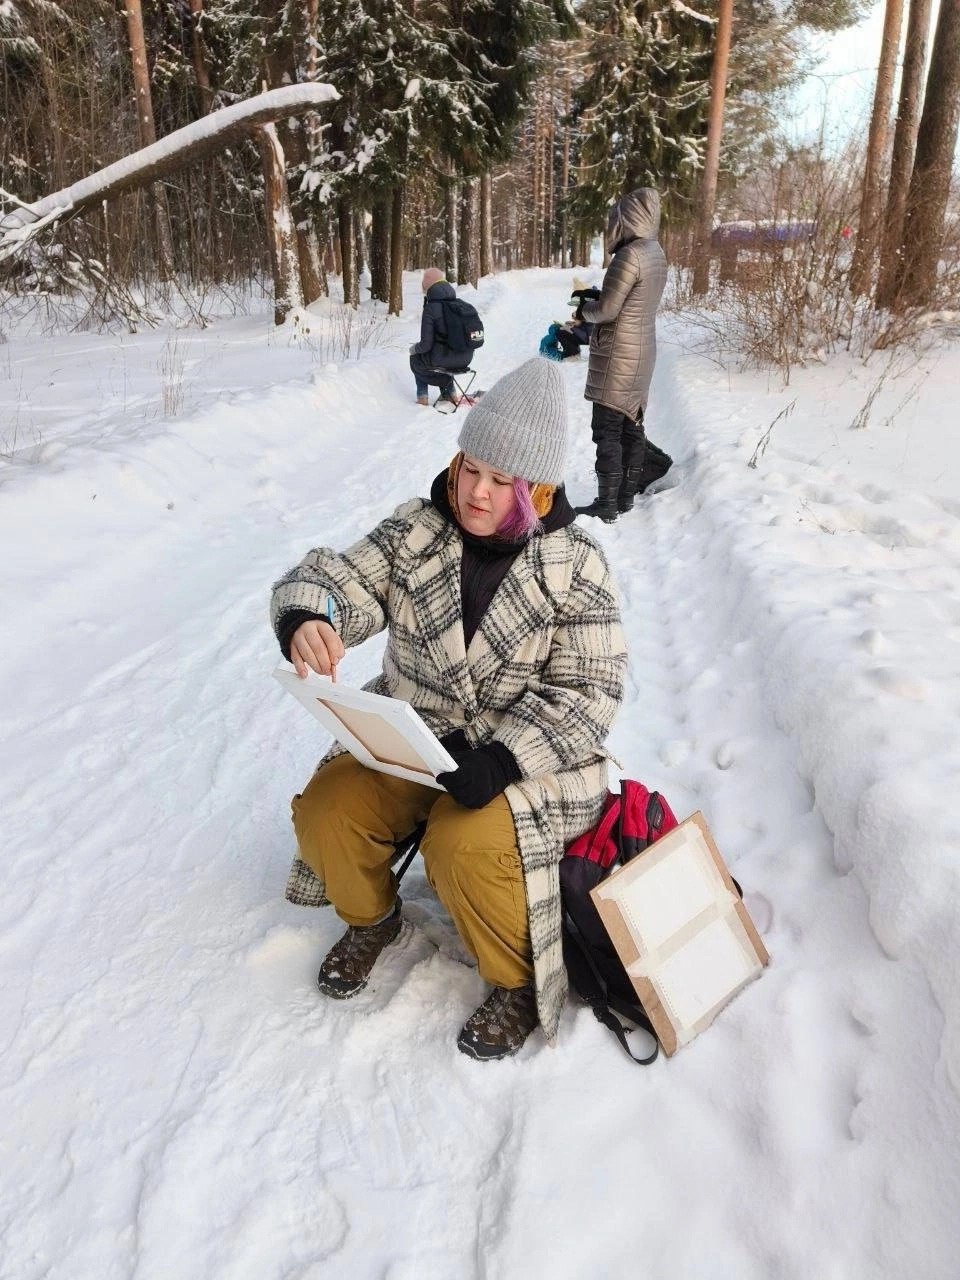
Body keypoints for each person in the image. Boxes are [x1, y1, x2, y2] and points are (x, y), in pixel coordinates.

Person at [270, 357, 627, 1061]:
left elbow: (591, 693)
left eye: (501, 481)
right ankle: (371, 920)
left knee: (460, 845)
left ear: (538, 488)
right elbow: (341, 579)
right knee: (328, 811)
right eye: (470, 468)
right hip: (414, 740)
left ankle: (518, 982)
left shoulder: (577, 564)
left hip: (518, 760)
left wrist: (503, 758)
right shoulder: (415, 532)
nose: (475, 492)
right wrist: (312, 613)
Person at [576, 188, 669, 523]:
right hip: (643, 348)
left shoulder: (629, 256)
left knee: (608, 428)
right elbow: (633, 301)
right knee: (630, 424)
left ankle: (606, 502)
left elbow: (607, 310)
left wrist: (583, 309)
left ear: (628, 219)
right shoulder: (656, 252)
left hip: (619, 353)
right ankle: (626, 496)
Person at [409, 267, 472, 407]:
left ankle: (422, 398)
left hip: (442, 361)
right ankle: (450, 394)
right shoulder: (460, 305)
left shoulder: (431, 308)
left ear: (428, 288)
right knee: (442, 359)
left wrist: (413, 348)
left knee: (415, 358)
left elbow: (425, 345)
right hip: (465, 360)